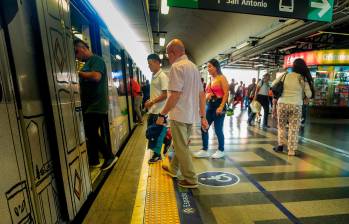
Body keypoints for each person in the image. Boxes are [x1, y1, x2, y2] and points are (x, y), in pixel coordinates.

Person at [156, 39, 208, 188]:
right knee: (181, 145)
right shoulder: (193, 67)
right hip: (190, 116)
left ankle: (191, 179)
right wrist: (202, 116)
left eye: (168, 55)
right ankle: (173, 169)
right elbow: (201, 94)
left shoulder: (177, 67)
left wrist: (162, 114)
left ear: (173, 52)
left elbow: (174, 95)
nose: (168, 58)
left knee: (181, 147)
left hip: (179, 114)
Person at [74, 39, 117, 170]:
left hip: (96, 104)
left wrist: (78, 73)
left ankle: (109, 156)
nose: (76, 56)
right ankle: (94, 160)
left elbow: (96, 77)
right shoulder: (87, 63)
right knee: (90, 132)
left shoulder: (96, 60)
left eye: (76, 52)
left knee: (90, 131)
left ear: (82, 48)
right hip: (90, 105)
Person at [272, 58, 313, 156]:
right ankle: (291, 150)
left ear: (293, 66)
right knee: (293, 128)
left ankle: (280, 145)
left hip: (282, 104)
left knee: (281, 126)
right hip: (296, 105)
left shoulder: (285, 75)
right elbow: (309, 94)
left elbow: (273, 84)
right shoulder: (303, 78)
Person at [194, 59, 229, 159]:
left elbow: (226, 93)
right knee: (204, 127)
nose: (208, 69)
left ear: (216, 67)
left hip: (219, 106)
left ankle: (221, 150)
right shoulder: (210, 79)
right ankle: (205, 149)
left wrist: (221, 106)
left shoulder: (221, 78)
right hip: (210, 106)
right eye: (207, 67)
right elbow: (207, 94)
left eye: (210, 66)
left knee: (218, 129)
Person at [144, 53, 169, 163]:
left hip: (159, 110)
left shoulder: (162, 76)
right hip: (153, 109)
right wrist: (149, 101)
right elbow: (156, 93)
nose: (149, 66)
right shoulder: (154, 75)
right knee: (152, 133)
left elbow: (165, 94)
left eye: (150, 64)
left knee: (156, 134)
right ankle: (166, 141)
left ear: (157, 62)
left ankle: (157, 155)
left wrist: (152, 101)